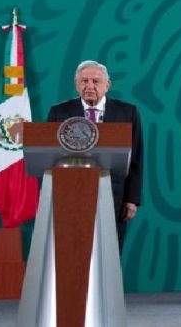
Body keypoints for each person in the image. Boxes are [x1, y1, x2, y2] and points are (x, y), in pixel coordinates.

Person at [47, 60, 143, 249]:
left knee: (109, 254)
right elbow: (48, 154)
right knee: (71, 253)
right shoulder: (59, 112)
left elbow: (137, 157)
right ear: (76, 84)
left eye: (95, 81)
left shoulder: (128, 112)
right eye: (84, 81)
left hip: (115, 197)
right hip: (70, 197)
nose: (89, 86)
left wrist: (132, 198)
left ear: (107, 85)